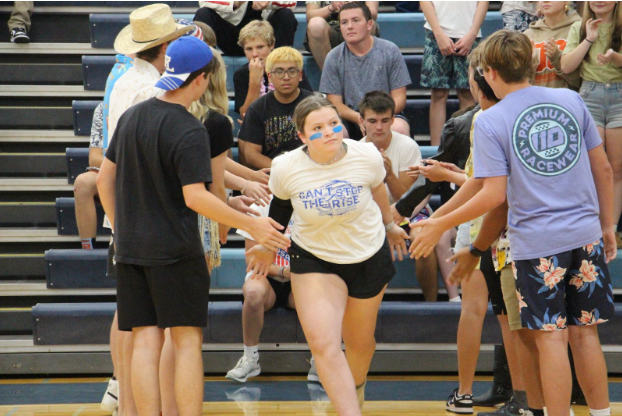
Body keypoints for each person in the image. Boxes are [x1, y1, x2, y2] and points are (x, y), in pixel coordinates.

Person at [410, 30, 615, 416]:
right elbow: (603, 168)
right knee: (586, 335)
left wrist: (440, 225)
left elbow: (493, 196)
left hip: (537, 245)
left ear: (488, 71)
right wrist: (607, 225)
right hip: (585, 234)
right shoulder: (570, 99)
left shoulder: (491, 120)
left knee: (551, 340)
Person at [96, 36, 290, 416]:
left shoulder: (133, 115)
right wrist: (254, 223)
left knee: (145, 341)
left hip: (132, 250)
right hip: (176, 250)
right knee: (186, 343)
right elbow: (196, 197)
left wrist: (123, 230)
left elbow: (103, 180)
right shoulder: (189, 129)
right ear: (200, 80)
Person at [246, 95, 410, 415]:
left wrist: (390, 225)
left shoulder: (366, 155)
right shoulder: (286, 166)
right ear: (303, 137)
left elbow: (377, 187)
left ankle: (355, 389)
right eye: (318, 128)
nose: (330, 131)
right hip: (314, 259)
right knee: (324, 344)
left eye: (334, 123)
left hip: (367, 255)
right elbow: (279, 209)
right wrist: (267, 246)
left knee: (360, 345)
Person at [104, 6, 197, 415]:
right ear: (165, 45)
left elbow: (108, 169)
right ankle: (156, 409)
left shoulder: (123, 80)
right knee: (170, 333)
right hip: (152, 213)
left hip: (128, 212)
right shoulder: (153, 93)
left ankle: (129, 406)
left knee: (137, 326)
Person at [359, 91, 445, 301]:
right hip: (373, 213)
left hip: (409, 209)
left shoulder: (407, 146)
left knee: (421, 241)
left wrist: (388, 174)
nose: (379, 127)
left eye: (384, 121)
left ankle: (431, 305)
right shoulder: (355, 151)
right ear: (361, 122)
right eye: (372, 121)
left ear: (392, 121)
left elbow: (405, 198)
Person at [561, 0, 622, 247]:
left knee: (617, 168)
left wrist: (615, 58)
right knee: (592, 165)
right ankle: (592, 228)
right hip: (589, 96)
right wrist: (589, 39)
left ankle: (612, 228)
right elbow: (565, 66)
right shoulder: (579, 27)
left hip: (619, 96)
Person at [226, 197, 297, 383]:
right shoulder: (260, 206)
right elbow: (252, 261)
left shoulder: (311, 205)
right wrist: (284, 271)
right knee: (252, 292)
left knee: (319, 293)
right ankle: (250, 359)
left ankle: (319, 361)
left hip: (300, 278)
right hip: (269, 276)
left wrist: (296, 273)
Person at [319, 1, 412, 140]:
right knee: (333, 131)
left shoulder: (390, 51)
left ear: (369, 25)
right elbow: (335, 103)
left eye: (355, 20)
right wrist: (359, 118)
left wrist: (375, 119)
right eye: (344, 22)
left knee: (399, 128)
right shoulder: (333, 57)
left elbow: (399, 98)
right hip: (351, 117)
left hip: (384, 114)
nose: (350, 26)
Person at [420, 1, 488, 146]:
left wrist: (472, 33)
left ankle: (466, 147)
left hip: (469, 32)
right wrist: (438, 33)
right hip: (437, 32)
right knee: (438, 93)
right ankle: (436, 150)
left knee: (468, 92)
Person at [238, 46, 314, 170]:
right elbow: (251, 155)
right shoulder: (257, 108)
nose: (286, 77)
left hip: (310, 169)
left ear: (300, 75)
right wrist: (283, 169)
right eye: (279, 72)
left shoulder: (314, 105)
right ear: (269, 76)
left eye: (292, 71)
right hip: (274, 173)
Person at [234, 20, 313, 118]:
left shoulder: (289, 68)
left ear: (271, 45)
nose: (254, 54)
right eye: (249, 49)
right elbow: (245, 116)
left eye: (260, 47)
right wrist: (254, 82)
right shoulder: (241, 74)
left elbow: (309, 104)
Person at [194, 1, 297, 57]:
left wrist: (270, 2)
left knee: (286, 15)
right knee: (203, 13)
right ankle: (204, 67)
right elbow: (204, 2)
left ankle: (281, 65)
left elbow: (292, 3)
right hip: (233, 38)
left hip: (266, 38)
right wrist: (235, 3)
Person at [304, 1, 379, 70]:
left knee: (370, 24)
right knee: (315, 24)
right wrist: (331, 7)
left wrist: (355, 7)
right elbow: (310, 15)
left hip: (357, 24)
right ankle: (332, 75)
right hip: (329, 31)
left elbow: (373, 13)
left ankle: (363, 72)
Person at [524, 1, 582, 90]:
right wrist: (530, 63)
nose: (545, 1)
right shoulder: (528, 35)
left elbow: (581, 81)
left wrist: (557, 58)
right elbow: (520, 80)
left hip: (566, 99)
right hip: (537, 100)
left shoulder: (579, 28)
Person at [73, 103, 104, 251]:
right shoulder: (103, 108)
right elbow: (94, 158)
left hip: (141, 172)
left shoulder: (149, 103)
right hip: (112, 171)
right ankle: (88, 249)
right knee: (82, 183)